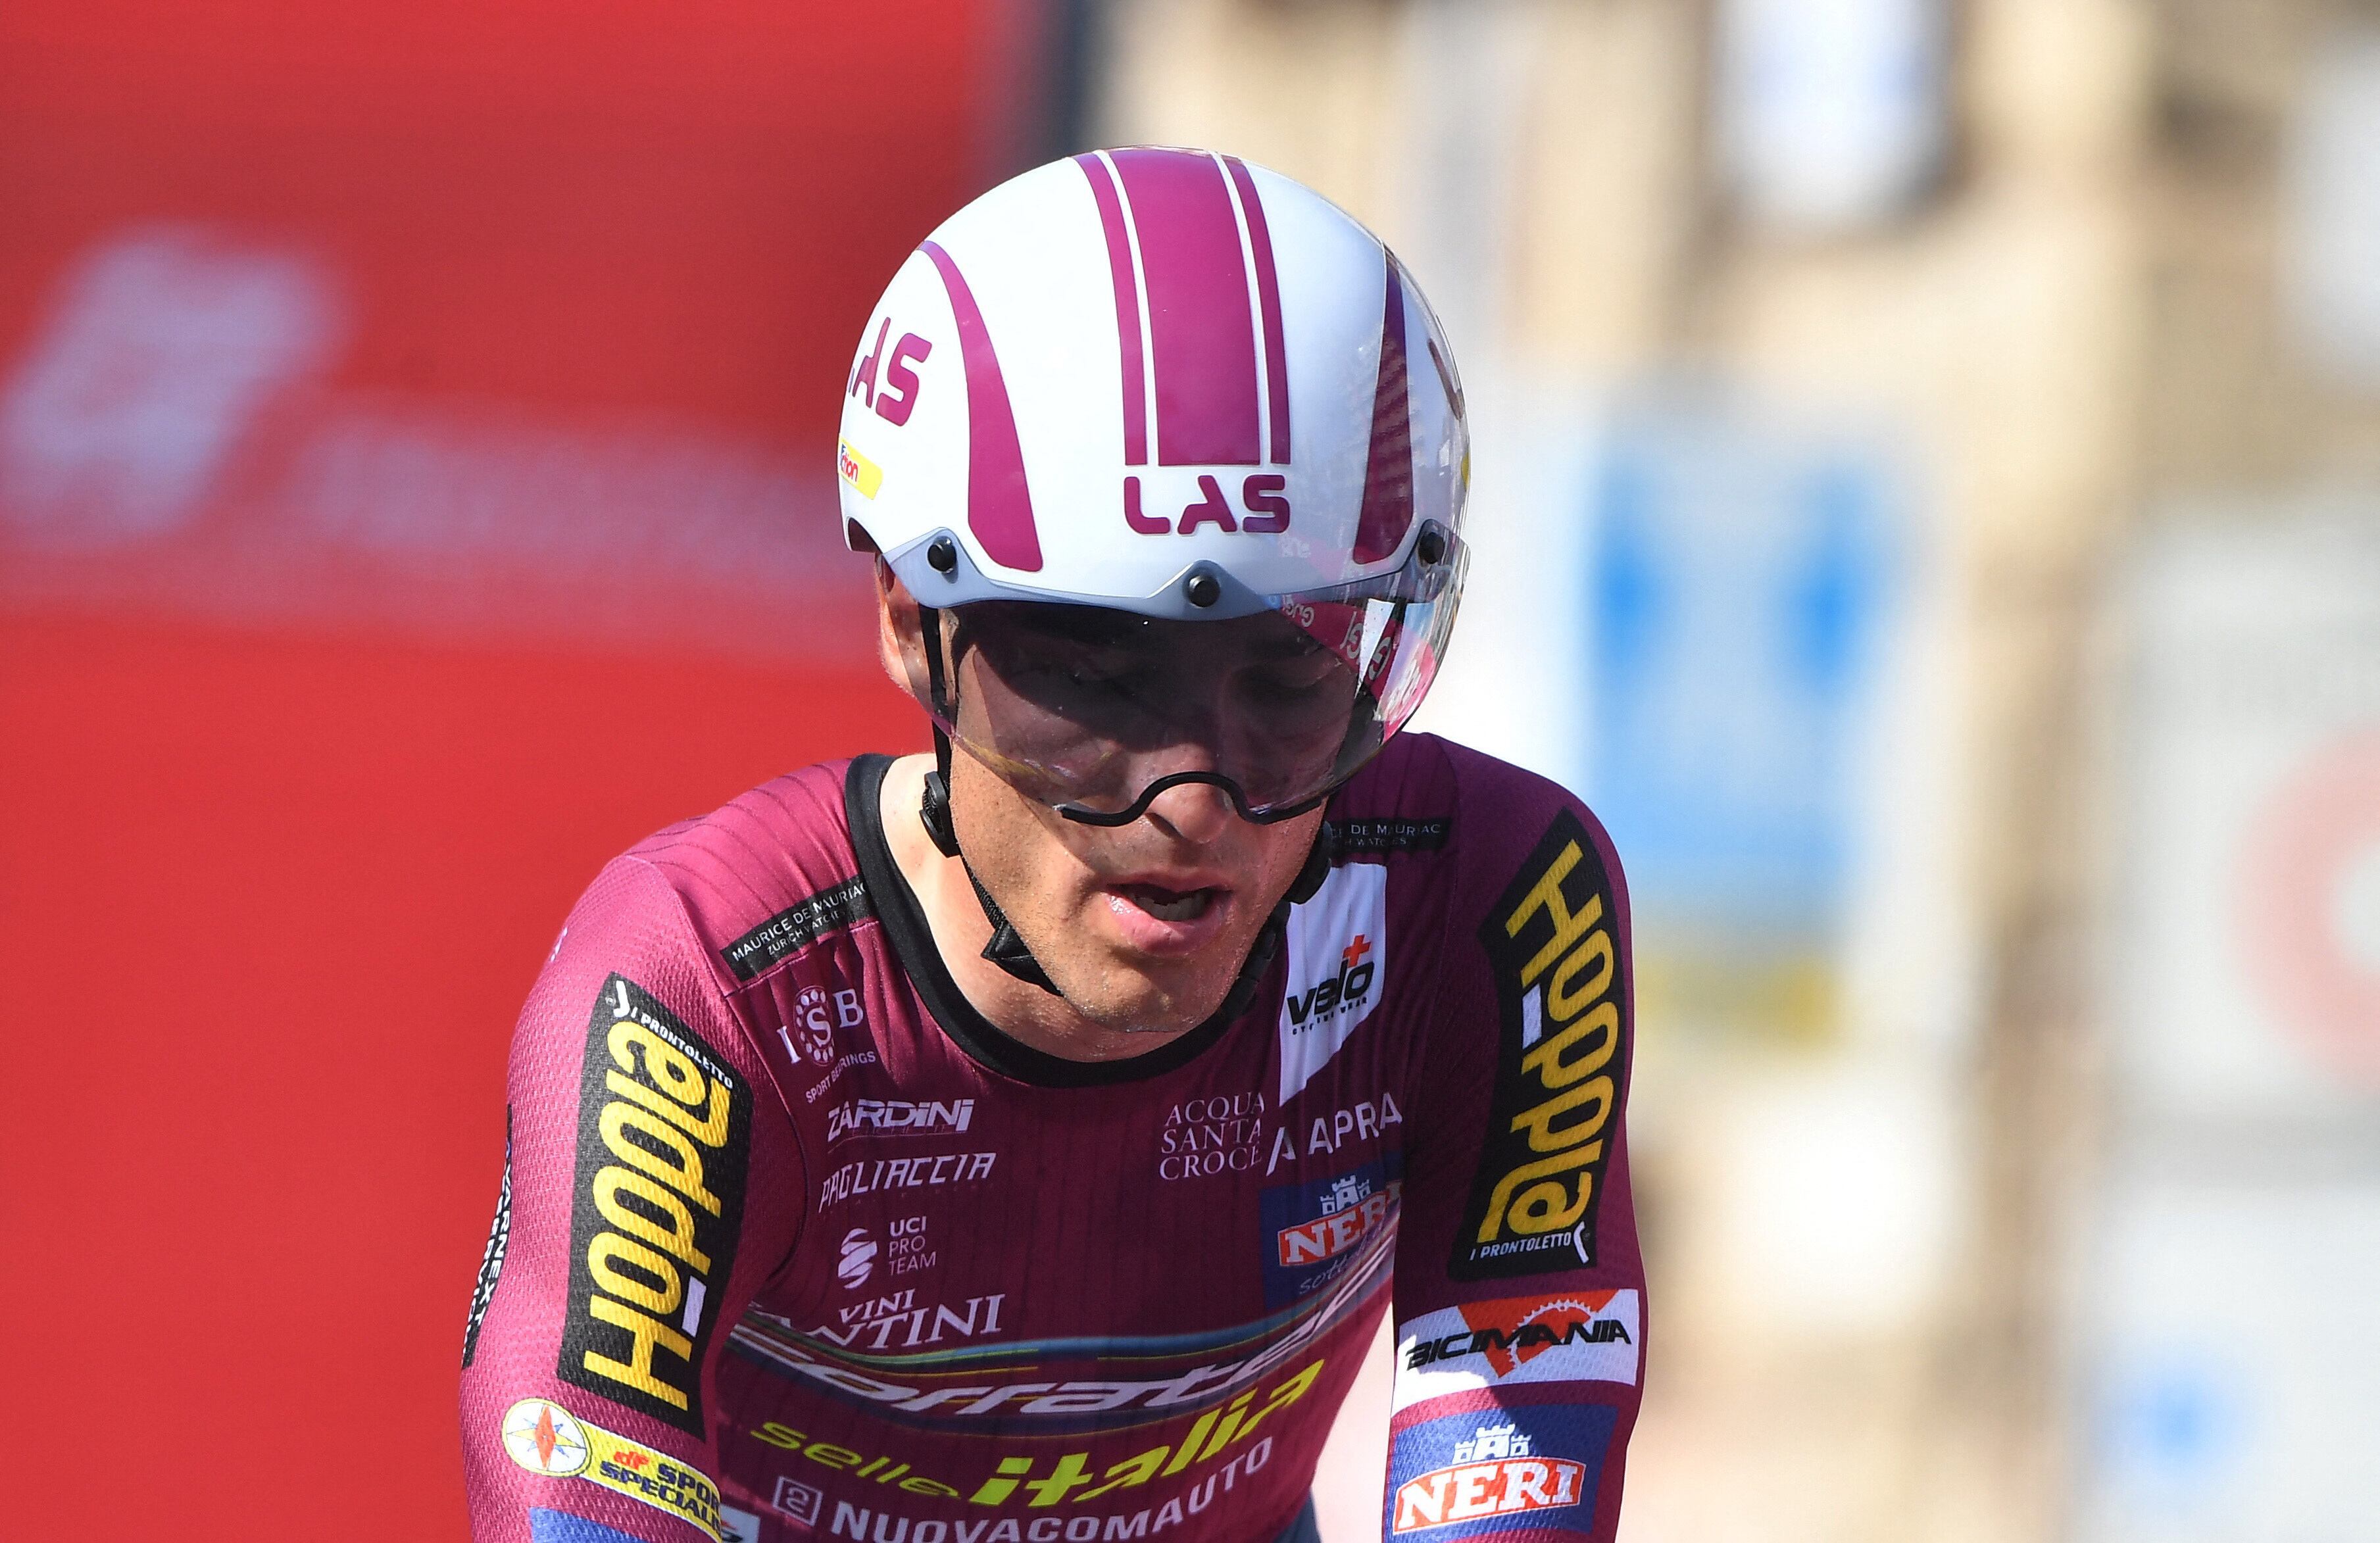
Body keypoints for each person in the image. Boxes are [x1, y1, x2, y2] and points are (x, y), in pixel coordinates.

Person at [460, 147, 1644, 1543]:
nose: (1192, 803)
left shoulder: (1492, 906)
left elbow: (1525, 1406)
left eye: (1289, 682)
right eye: (1096, 678)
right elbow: (574, 1483)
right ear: (914, 625)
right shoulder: (707, 990)